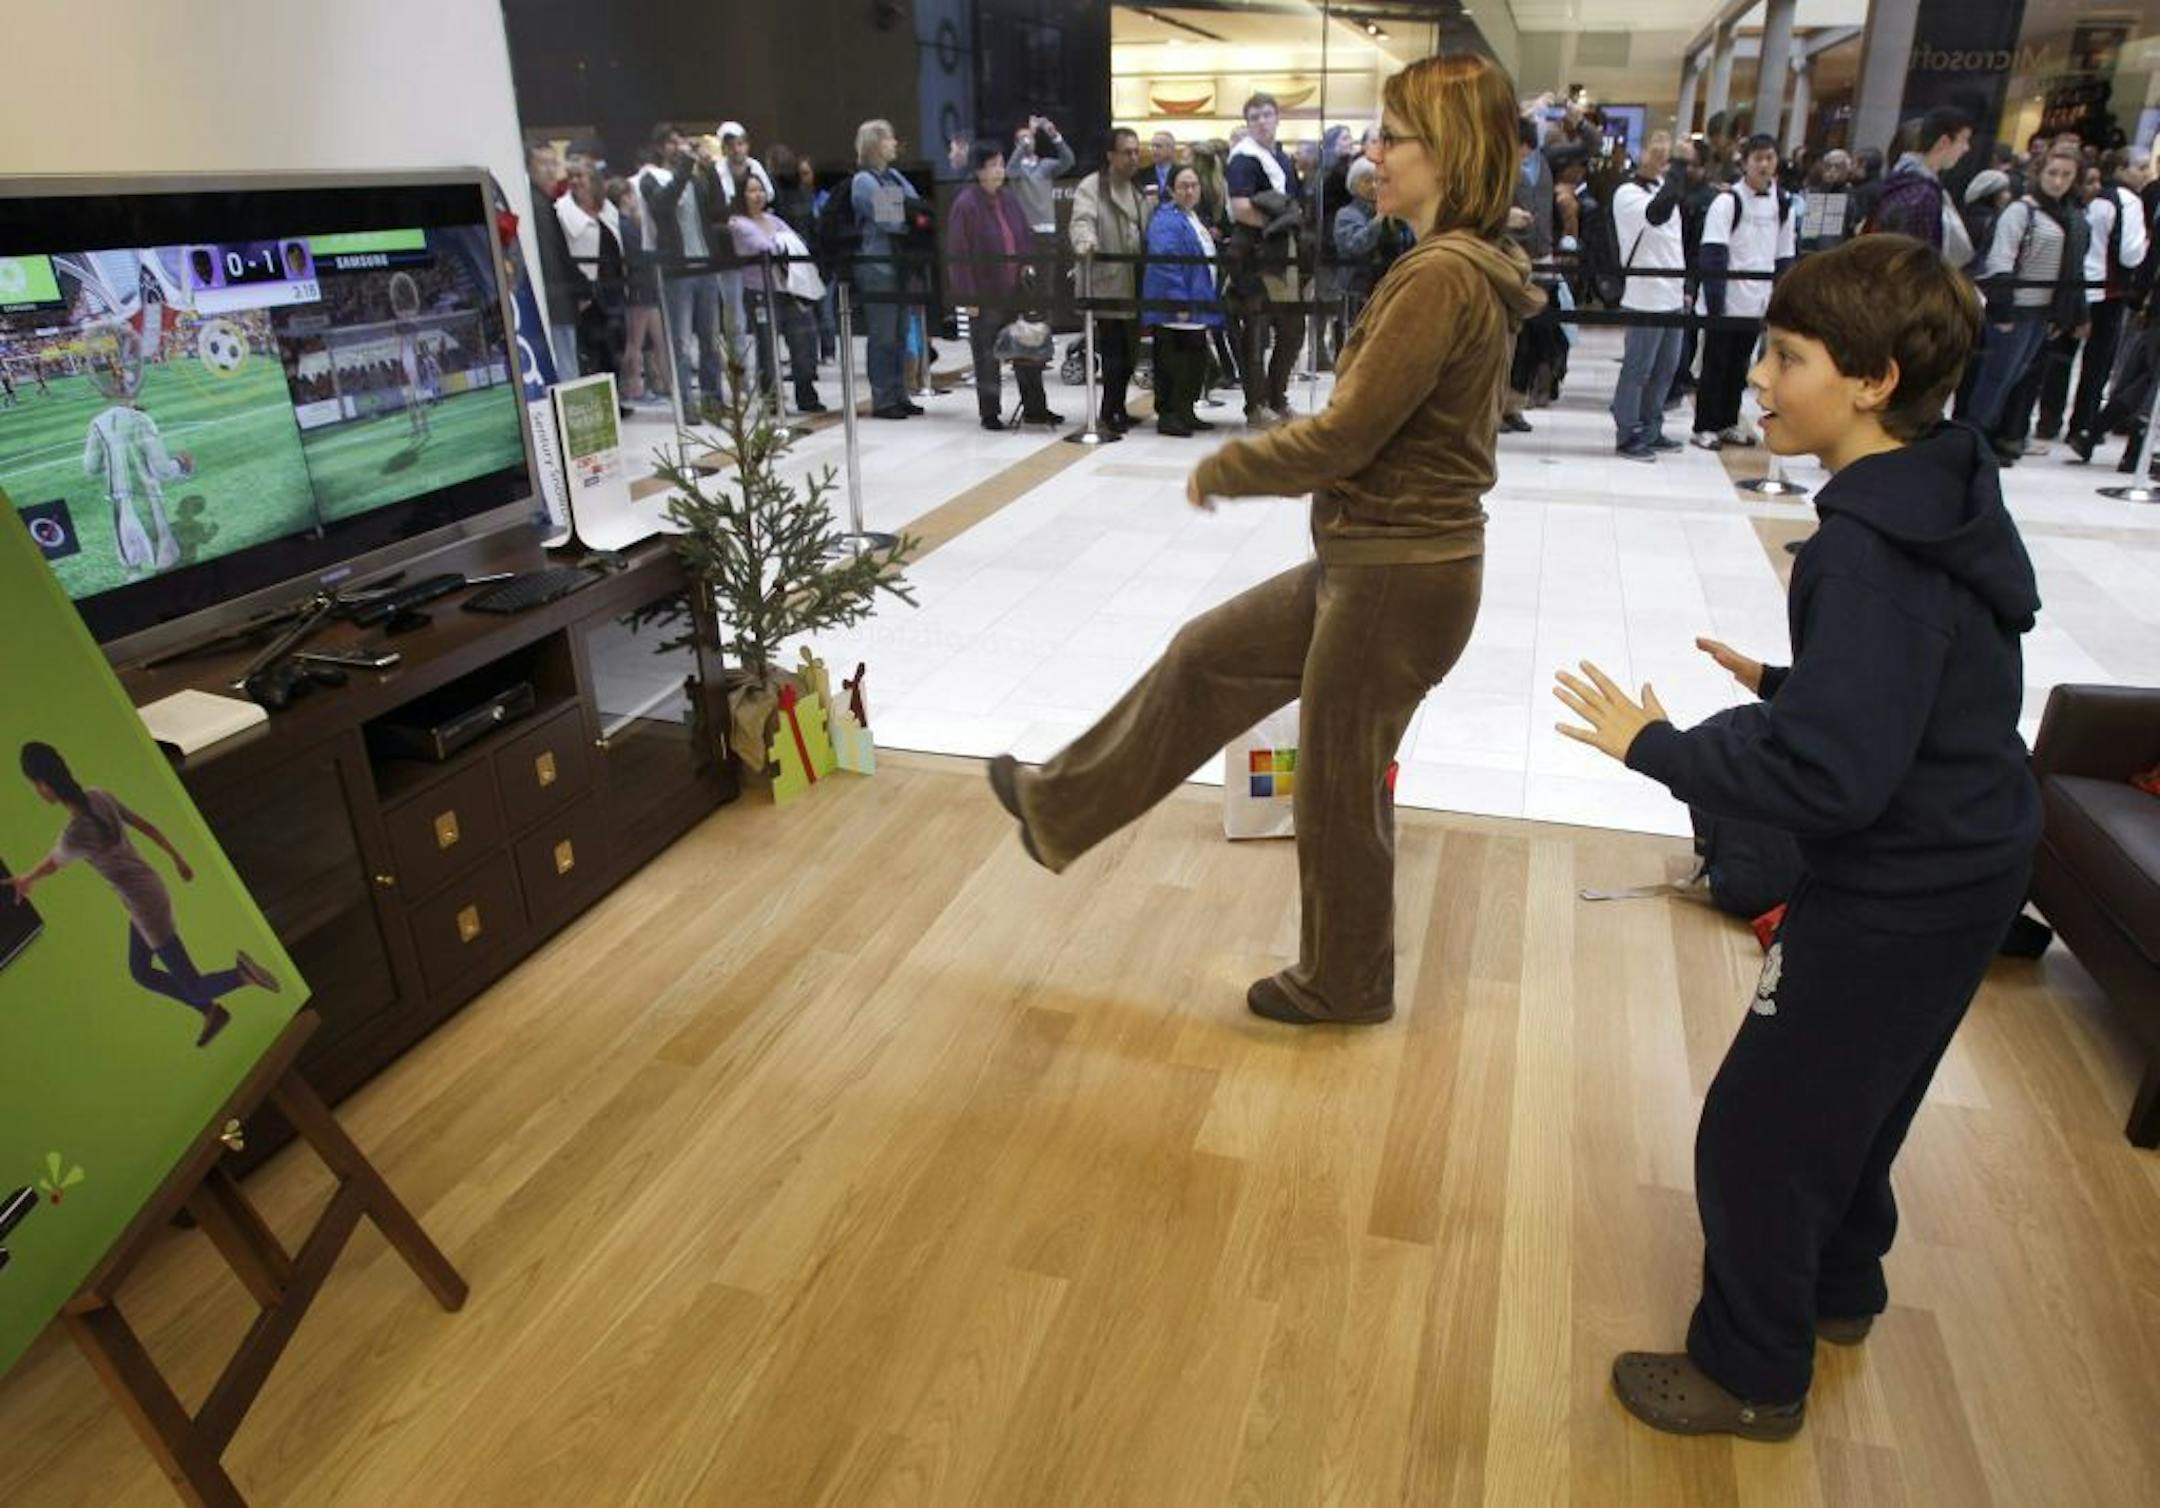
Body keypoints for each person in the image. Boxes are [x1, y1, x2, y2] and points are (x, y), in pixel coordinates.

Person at [1555, 233, 2039, 1444]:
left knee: (1759, 1127)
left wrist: (1655, 747)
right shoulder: (1942, 483)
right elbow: (1921, 688)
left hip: (1905, 883)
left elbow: (1833, 775)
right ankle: (1839, 1287)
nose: (1762, 377)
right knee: (1860, 1097)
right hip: (1978, 852)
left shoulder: (1864, 554)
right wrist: (1790, 676)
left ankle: (1751, 1369)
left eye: (1788, 355)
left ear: (1871, 381)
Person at [987, 51, 1543, 1026]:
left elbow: (1345, 434)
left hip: (1395, 578)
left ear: (1446, 154)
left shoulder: (1442, 278)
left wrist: (1229, 466)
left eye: (1392, 137)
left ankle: (1346, 978)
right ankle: (1056, 809)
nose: (1374, 153)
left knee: (1335, 785)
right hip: (1373, 564)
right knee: (1207, 658)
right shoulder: (1443, 267)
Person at [11, 742, 280, 1048]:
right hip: (149, 890)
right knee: (141, 971)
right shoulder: (99, 796)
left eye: (33, 785)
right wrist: (177, 858)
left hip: (144, 906)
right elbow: (146, 827)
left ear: (44, 785)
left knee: (192, 985)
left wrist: (27, 878)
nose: (37, 791)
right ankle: (211, 1012)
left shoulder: (75, 834)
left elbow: (52, 864)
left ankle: (241, 976)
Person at [1965, 148, 2090, 464]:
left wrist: (2068, 312)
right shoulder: (2022, 211)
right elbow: (2000, 258)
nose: (2058, 181)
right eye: (2053, 173)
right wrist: (2003, 309)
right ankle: (1972, 441)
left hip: (2042, 311)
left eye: (2066, 175)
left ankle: (1988, 439)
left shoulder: (2070, 214)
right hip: (2015, 309)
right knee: (1996, 377)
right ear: (2039, 172)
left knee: (2013, 378)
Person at [946, 141, 1060, 431]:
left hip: (1016, 291)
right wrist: (967, 296)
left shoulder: (1008, 198)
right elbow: (959, 254)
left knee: (1027, 347)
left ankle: (1036, 407)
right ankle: (990, 412)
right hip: (984, 293)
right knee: (986, 354)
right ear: (979, 171)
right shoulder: (966, 204)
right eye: (993, 165)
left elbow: (1023, 235)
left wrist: (1028, 265)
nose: (999, 170)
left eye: (1000, 164)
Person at [1692, 135, 1796, 451]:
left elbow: (1784, 257)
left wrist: (1781, 302)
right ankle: (1704, 425)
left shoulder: (1783, 204)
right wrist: (1715, 304)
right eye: (1758, 158)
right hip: (1725, 302)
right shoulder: (1728, 202)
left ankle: (1726, 422)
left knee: (1740, 366)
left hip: (1758, 302)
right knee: (1715, 365)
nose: (1764, 165)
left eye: (1769, 158)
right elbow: (1713, 253)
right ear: (1745, 162)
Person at [1608, 131, 1692, 461]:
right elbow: (1656, 214)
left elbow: (1674, 242)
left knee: (1665, 369)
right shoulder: (1627, 193)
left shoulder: (1662, 188)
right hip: (1645, 294)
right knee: (1638, 368)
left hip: (1671, 293)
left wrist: (1685, 288)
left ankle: (1652, 427)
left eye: (1664, 147)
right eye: (1652, 147)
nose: (1659, 153)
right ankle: (1628, 432)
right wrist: (1679, 165)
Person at [1227, 92, 1307, 427]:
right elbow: (1241, 209)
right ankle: (1256, 406)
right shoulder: (1243, 159)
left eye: (1267, 114)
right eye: (1255, 116)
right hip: (1255, 256)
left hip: (1284, 257)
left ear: (1277, 118)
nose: (1262, 121)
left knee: (1292, 333)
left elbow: (1297, 205)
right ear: (1248, 123)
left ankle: (1277, 398)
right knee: (1256, 336)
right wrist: (1279, 224)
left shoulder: (1284, 160)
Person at [2065, 148, 2150, 461]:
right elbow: (2131, 254)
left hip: (2086, 287)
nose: (2145, 173)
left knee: (2066, 361)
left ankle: (2069, 424)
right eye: (2140, 167)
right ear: (2121, 167)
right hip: (2109, 292)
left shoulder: (2099, 199)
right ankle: (2085, 425)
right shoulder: (2128, 201)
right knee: (2098, 365)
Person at [638, 124, 728, 412]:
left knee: (710, 340)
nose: (679, 148)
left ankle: (713, 399)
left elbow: (718, 207)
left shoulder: (695, 179)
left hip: (706, 267)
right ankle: (686, 403)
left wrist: (710, 168)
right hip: (678, 271)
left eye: (681, 142)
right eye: (672, 143)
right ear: (660, 147)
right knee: (680, 343)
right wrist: (687, 166)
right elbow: (662, 205)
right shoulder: (651, 178)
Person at [728, 173, 826, 414]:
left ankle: (805, 391)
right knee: (768, 346)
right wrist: (780, 243)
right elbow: (764, 247)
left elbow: (796, 241)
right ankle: (771, 398)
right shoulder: (738, 224)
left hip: (789, 289)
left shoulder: (775, 220)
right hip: (761, 292)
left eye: (760, 190)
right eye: (751, 191)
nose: (757, 195)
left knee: (803, 339)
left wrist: (782, 242)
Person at [1069, 128, 1147, 433]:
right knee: (1113, 354)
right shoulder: (1092, 187)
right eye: (1127, 152)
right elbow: (1081, 221)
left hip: (1134, 284)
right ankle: (1107, 412)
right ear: (1110, 155)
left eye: (1136, 151)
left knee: (1129, 354)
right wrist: (1085, 242)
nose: (1133, 158)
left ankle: (1118, 407)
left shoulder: (1137, 189)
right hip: (1105, 283)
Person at [1141, 164, 1223, 437]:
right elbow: (1166, 264)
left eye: (1194, 185)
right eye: (1183, 186)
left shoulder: (1192, 217)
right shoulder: (1166, 220)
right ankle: (1169, 415)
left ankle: (1186, 411)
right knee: (1173, 364)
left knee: (1193, 363)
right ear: (1171, 190)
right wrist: (1179, 301)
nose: (1189, 191)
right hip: (1177, 309)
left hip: (1197, 307)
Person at [851, 118, 924, 421]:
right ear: (875, 144)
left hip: (900, 265)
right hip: (877, 267)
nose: (895, 144)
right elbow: (891, 219)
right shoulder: (863, 181)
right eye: (890, 138)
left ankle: (900, 393)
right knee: (882, 335)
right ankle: (883, 398)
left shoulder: (893, 176)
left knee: (900, 332)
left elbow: (916, 206)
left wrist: (908, 214)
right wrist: (907, 214)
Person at [1865, 107, 1975, 266]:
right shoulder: (1921, 192)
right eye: (1964, 140)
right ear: (1944, 141)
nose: (1966, 148)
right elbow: (1912, 258)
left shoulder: (1904, 180)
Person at [554, 161, 625, 390]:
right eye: (571, 176)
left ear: (593, 179)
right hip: (587, 291)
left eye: (580, 176)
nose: (575, 181)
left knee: (615, 346)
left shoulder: (607, 209)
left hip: (613, 287)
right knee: (593, 348)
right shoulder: (561, 210)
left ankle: (616, 396)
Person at [610, 179, 670, 408]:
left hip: (646, 285)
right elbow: (638, 254)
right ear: (625, 197)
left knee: (658, 338)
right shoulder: (623, 225)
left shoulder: (628, 223)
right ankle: (634, 387)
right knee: (635, 341)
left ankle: (667, 383)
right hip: (638, 286)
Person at [527, 142, 584, 381]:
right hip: (554, 297)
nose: (551, 170)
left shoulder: (544, 203)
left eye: (554, 163)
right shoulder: (535, 204)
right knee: (564, 366)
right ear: (529, 167)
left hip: (559, 295)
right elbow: (552, 258)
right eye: (543, 163)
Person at [1008, 116, 1076, 237]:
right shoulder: (1017, 168)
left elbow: (1069, 161)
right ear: (1016, 144)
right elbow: (1010, 171)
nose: (1027, 141)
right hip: (1024, 228)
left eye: (1030, 138)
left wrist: (1055, 136)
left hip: (1047, 227)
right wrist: (1028, 136)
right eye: (1022, 139)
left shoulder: (1045, 165)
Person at [1144, 130, 1180, 203]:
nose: (1154, 150)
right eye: (1152, 146)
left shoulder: (1182, 172)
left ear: (1171, 149)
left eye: (1158, 146)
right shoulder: (1142, 174)